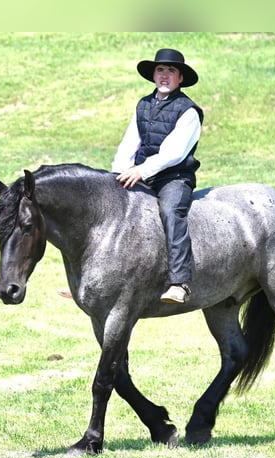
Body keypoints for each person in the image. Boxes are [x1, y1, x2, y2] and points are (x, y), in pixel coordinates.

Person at [112, 48, 203, 304]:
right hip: (140, 174)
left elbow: (173, 153)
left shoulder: (188, 111)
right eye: (160, 70)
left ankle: (180, 283)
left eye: (171, 71)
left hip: (173, 178)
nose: (164, 75)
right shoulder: (143, 105)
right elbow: (129, 143)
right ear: (154, 75)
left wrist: (141, 171)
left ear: (180, 78)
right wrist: (117, 175)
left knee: (171, 212)